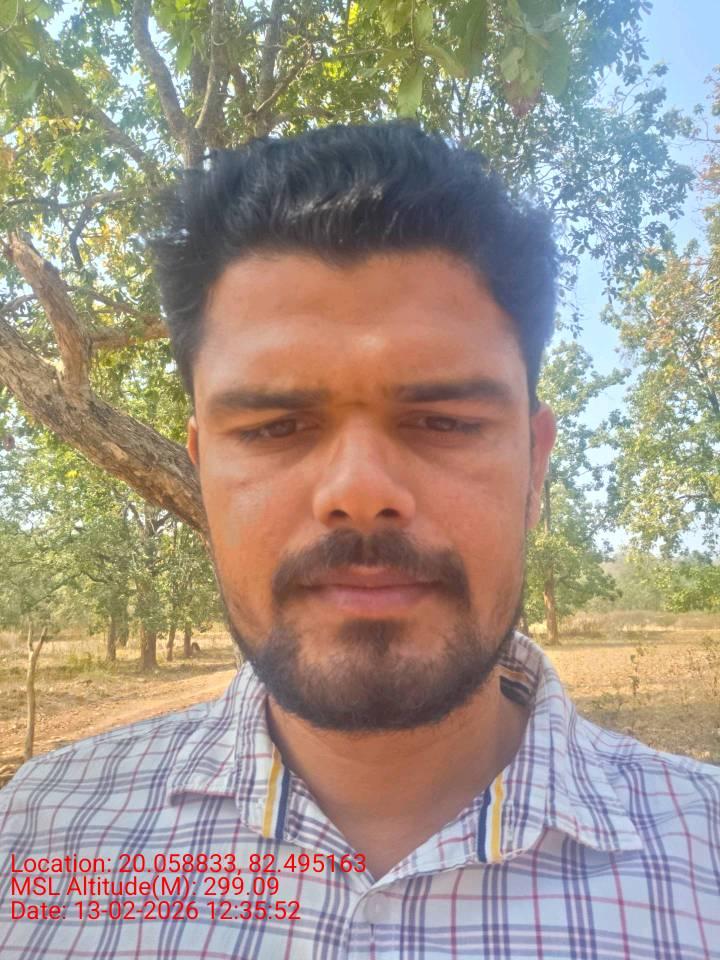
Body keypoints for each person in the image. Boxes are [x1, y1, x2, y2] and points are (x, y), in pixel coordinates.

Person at [1, 121, 718, 960]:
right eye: (274, 427)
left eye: (444, 420)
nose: (360, 492)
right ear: (202, 471)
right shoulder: (35, 839)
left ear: (535, 466)